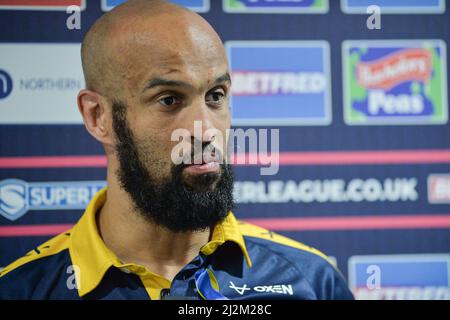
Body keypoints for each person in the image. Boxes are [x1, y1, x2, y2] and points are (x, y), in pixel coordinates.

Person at [0, 0, 353, 300]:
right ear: (98, 117)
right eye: (169, 99)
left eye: (215, 96)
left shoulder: (312, 280)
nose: (205, 130)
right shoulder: (21, 288)